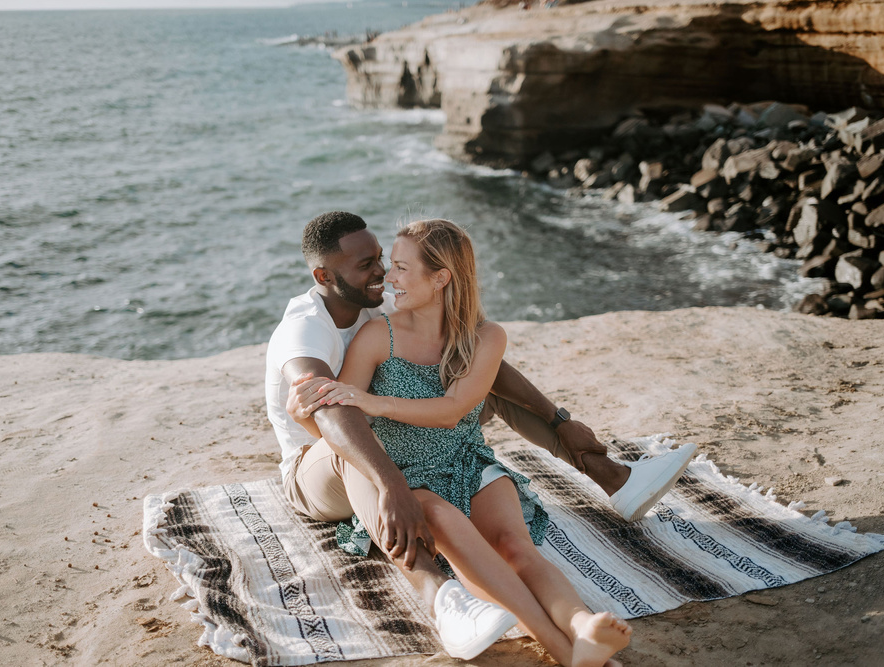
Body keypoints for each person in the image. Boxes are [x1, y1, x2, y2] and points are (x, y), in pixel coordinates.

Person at [264, 211, 695, 659]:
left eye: (387, 262)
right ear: (324, 275)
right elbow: (333, 414)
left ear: (440, 278)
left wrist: (559, 419)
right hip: (321, 464)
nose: (383, 274)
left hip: (430, 446)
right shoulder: (309, 328)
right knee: (351, 440)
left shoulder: (387, 301)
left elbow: (473, 369)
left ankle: (603, 519)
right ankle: (445, 599)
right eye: (369, 265)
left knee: (511, 534)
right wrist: (393, 484)